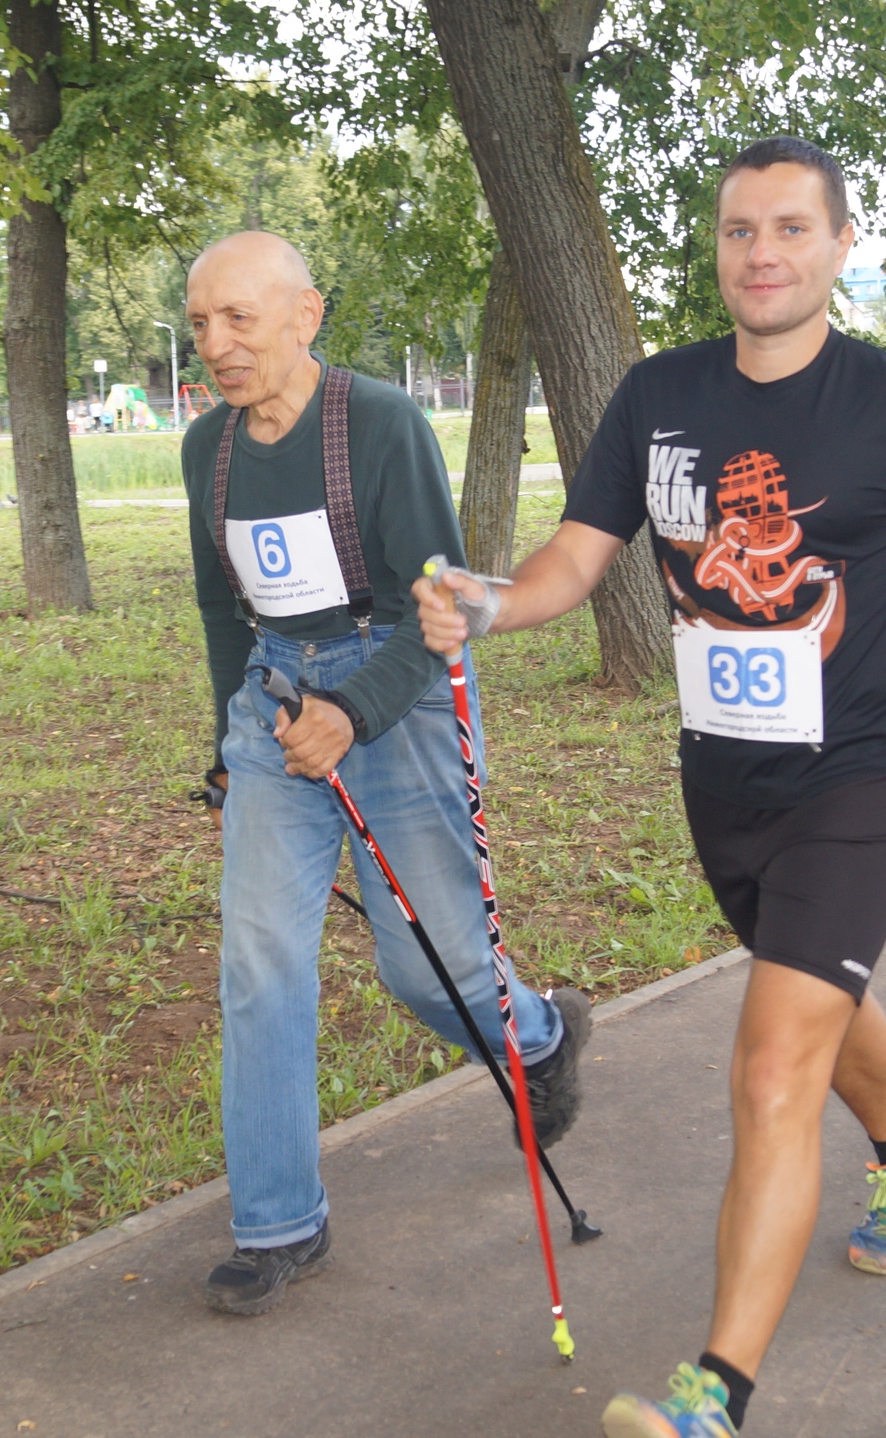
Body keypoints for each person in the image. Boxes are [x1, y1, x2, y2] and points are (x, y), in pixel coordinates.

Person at [414, 138, 886, 1438]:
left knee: (769, 1066)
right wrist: (491, 601)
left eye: (792, 228)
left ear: (841, 245)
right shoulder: (660, 397)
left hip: (859, 777)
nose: (763, 253)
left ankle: (716, 1392)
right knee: (819, 1004)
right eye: (741, 230)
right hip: (724, 783)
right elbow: (578, 557)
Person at [185, 229, 591, 1317]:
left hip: (396, 690)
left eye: (238, 319)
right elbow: (223, 610)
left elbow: (439, 610)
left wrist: (351, 712)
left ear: (304, 315)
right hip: (275, 704)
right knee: (260, 964)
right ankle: (279, 1223)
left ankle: (540, 1036)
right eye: (201, 323)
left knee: (429, 968)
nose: (216, 345)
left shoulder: (377, 422)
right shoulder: (206, 449)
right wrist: (228, 748)